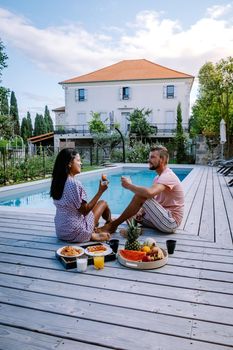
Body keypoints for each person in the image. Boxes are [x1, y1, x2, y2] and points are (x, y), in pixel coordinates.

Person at [98, 145, 184, 234]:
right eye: (149, 157)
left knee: (141, 195)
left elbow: (149, 194)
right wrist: (140, 211)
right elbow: (153, 201)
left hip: (170, 222)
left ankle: (113, 225)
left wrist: (129, 185)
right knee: (129, 215)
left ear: (162, 159)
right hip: (161, 217)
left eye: (152, 157)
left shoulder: (168, 176)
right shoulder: (157, 178)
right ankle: (127, 226)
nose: (149, 160)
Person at [50, 148, 111, 242]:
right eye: (78, 160)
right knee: (103, 203)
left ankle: (99, 228)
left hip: (61, 231)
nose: (81, 163)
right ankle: (101, 229)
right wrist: (100, 191)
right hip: (76, 231)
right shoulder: (74, 183)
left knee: (95, 208)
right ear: (69, 163)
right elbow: (85, 211)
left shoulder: (57, 181)